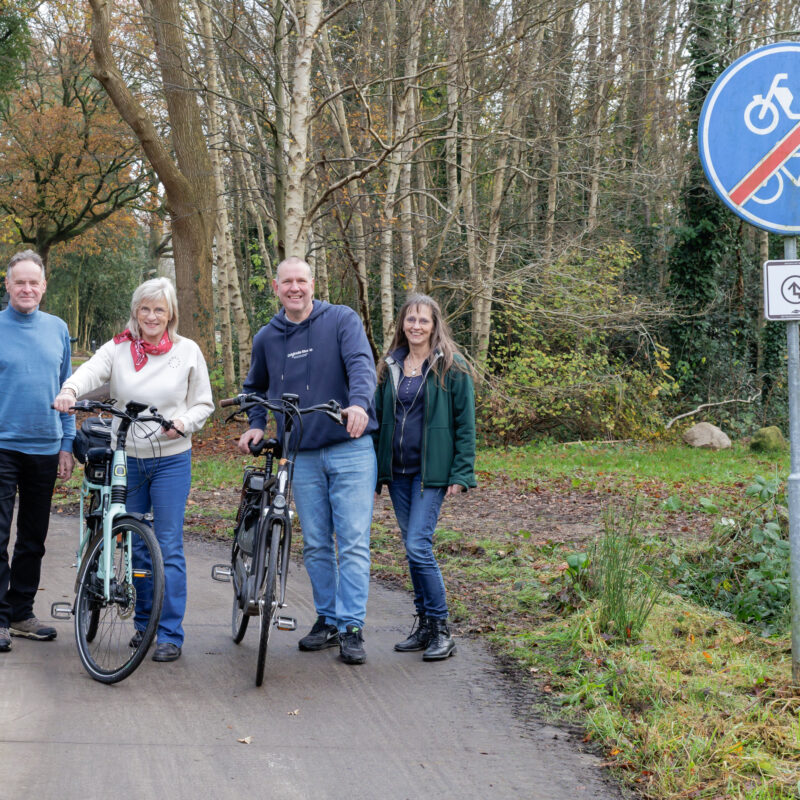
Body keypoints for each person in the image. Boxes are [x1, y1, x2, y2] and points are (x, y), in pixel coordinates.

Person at [53, 277, 213, 663]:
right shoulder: (120, 348)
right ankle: (144, 625)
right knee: (136, 541)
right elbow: (90, 372)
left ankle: (170, 633)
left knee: (168, 544)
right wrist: (70, 392)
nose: (152, 316)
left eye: (160, 309)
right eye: (145, 309)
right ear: (135, 312)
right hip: (127, 456)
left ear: (170, 313)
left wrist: (183, 423)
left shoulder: (187, 351)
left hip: (172, 457)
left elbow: (203, 403)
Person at [238, 256, 377, 665]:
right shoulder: (268, 336)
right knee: (316, 543)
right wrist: (258, 424)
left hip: (350, 448)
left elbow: (361, 366)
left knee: (352, 542)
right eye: (287, 282)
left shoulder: (342, 320)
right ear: (276, 287)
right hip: (301, 454)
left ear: (313, 283)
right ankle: (329, 620)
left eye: (301, 280)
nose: (294, 288)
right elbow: (254, 388)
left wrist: (359, 405)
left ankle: (352, 627)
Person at [373, 294, 476, 661]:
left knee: (419, 545)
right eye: (410, 320)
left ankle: (441, 628)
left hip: (429, 474)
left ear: (435, 325)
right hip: (398, 473)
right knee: (412, 550)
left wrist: (462, 471)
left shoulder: (451, 366)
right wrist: (376, 471)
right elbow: (377, 423)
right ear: (402, 324)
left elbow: (465, 424)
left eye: (424, 320)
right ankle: (423, 625)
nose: (416, 326)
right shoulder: (390, 366)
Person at [0, 250, 76, 652]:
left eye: (34, 282)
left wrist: (67, 443)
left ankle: (21, 613)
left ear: (44, 287)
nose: (27, 288)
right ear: (8, 285)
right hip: (2, 446)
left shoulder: (58, 328)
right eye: (20, 282)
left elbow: (67, 388)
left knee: (33, 537)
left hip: (45, 447)